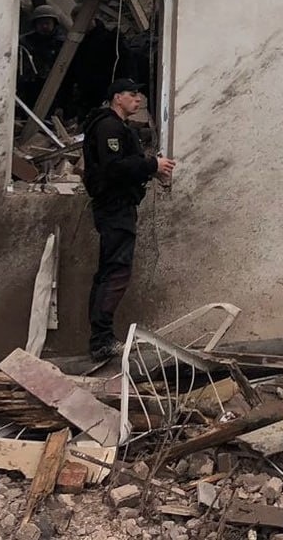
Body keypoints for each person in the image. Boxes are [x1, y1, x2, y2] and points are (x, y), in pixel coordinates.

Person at [82, 78, 176, 362]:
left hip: (119, 206)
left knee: (110, 271)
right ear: (117, 98)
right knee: (116, 272)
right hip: (115, 208)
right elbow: (113, 167)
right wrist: (151, 164)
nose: (138, 100)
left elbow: (123, 166)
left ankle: (101, 338)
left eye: (139, 95)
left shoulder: (117, 127)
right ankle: (102, 341)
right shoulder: (109, 127)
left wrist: (150, 170)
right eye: (132, 95)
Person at [17, 5, 66, 103]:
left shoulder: (63, 43)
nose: (44, 26)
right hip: (31, 86)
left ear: (54, 23)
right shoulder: (26, 41)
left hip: (55, 85)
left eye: (47, 23)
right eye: (40, 23)